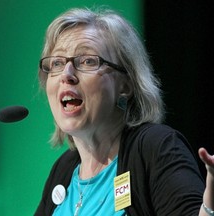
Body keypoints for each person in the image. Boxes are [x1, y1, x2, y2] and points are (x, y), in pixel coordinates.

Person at [34, 7, 214, 216]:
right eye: (57, 63)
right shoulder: (64, 170)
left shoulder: (155, 148)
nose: (67, 74)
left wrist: (210, 206)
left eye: (87, 61)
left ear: (126, 85)